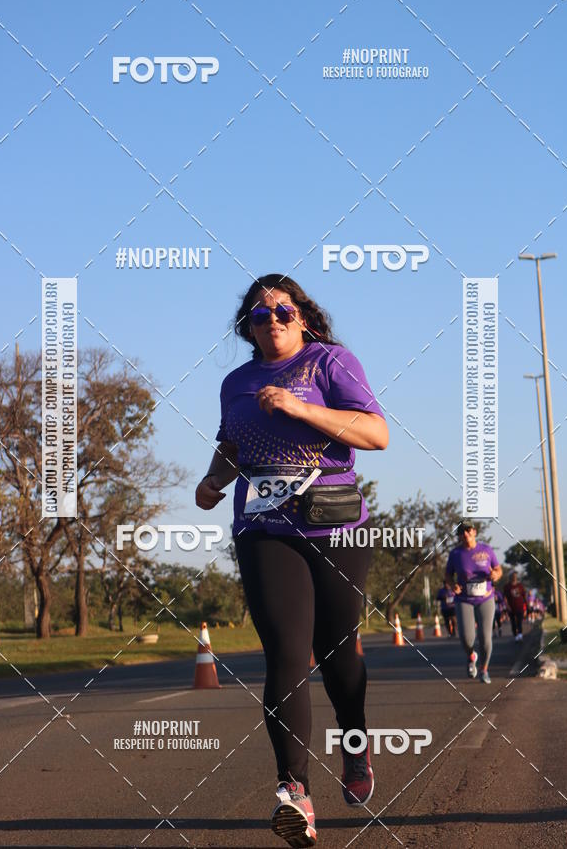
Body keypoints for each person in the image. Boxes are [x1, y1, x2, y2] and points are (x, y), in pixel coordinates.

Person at [195, 274, 389, 848]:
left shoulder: (332, 362)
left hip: (336, 525)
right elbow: (231, 444)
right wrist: (212, 479)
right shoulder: (235, 383)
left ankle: (355, 743)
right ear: (248, 327)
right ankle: (294, 793)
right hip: (263, 527)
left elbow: (376, 434)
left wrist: (301, 410)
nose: (273, 319)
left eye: (283, 310)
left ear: (302, 315)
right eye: (260, 314)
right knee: (284, 651)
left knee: (337, 654)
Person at [445, 521, 502, 684]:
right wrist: (452, 585)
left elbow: (498, 569)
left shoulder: (486, 550)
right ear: (459, 535)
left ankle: (484, 670)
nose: (466, 534)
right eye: (462, 532)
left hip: (486, 598)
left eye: (468, 530)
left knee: (485, 638)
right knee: (466, 638)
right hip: (464, 599)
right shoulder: (455, 554)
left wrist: (495, 576)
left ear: (474, 532)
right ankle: (471, 655)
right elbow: (448, 575)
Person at [503, 572, 527, 642]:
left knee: (519, 622)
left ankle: (520, 634)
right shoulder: (507, 587)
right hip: (511, 608)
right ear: (510, 578)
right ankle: (516, 635)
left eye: (515, 576)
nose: (514, 577)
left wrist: (526, 606)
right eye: (513, 576)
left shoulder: (520, 586)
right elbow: (505, 598)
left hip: (520, 607)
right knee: (513, 622)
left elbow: (524, 595)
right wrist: (507, 606)